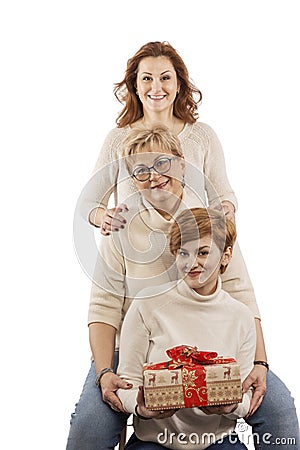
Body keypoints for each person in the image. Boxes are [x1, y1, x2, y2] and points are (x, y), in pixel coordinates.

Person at [67, 42, 299, 449]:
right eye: (141, 169)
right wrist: (106, 372)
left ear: (184, 166)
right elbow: (103, 305)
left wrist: (259, 361)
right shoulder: (123, 221)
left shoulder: (206, 222)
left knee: (278, 411)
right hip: (137, 341)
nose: (154, 176)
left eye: (164, 166)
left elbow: (242, 291)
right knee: (90, 425)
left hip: (209, 338)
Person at [117, 206, 256, 450]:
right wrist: (142, 409)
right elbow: (127, 381)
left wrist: (232, 406)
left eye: (203, 252)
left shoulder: (241, 317)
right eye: (183, 253)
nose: (192, 263)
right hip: (154, 441)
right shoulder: (147, 304)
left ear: (226, 255)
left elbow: (244, 396)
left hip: (217, 441)